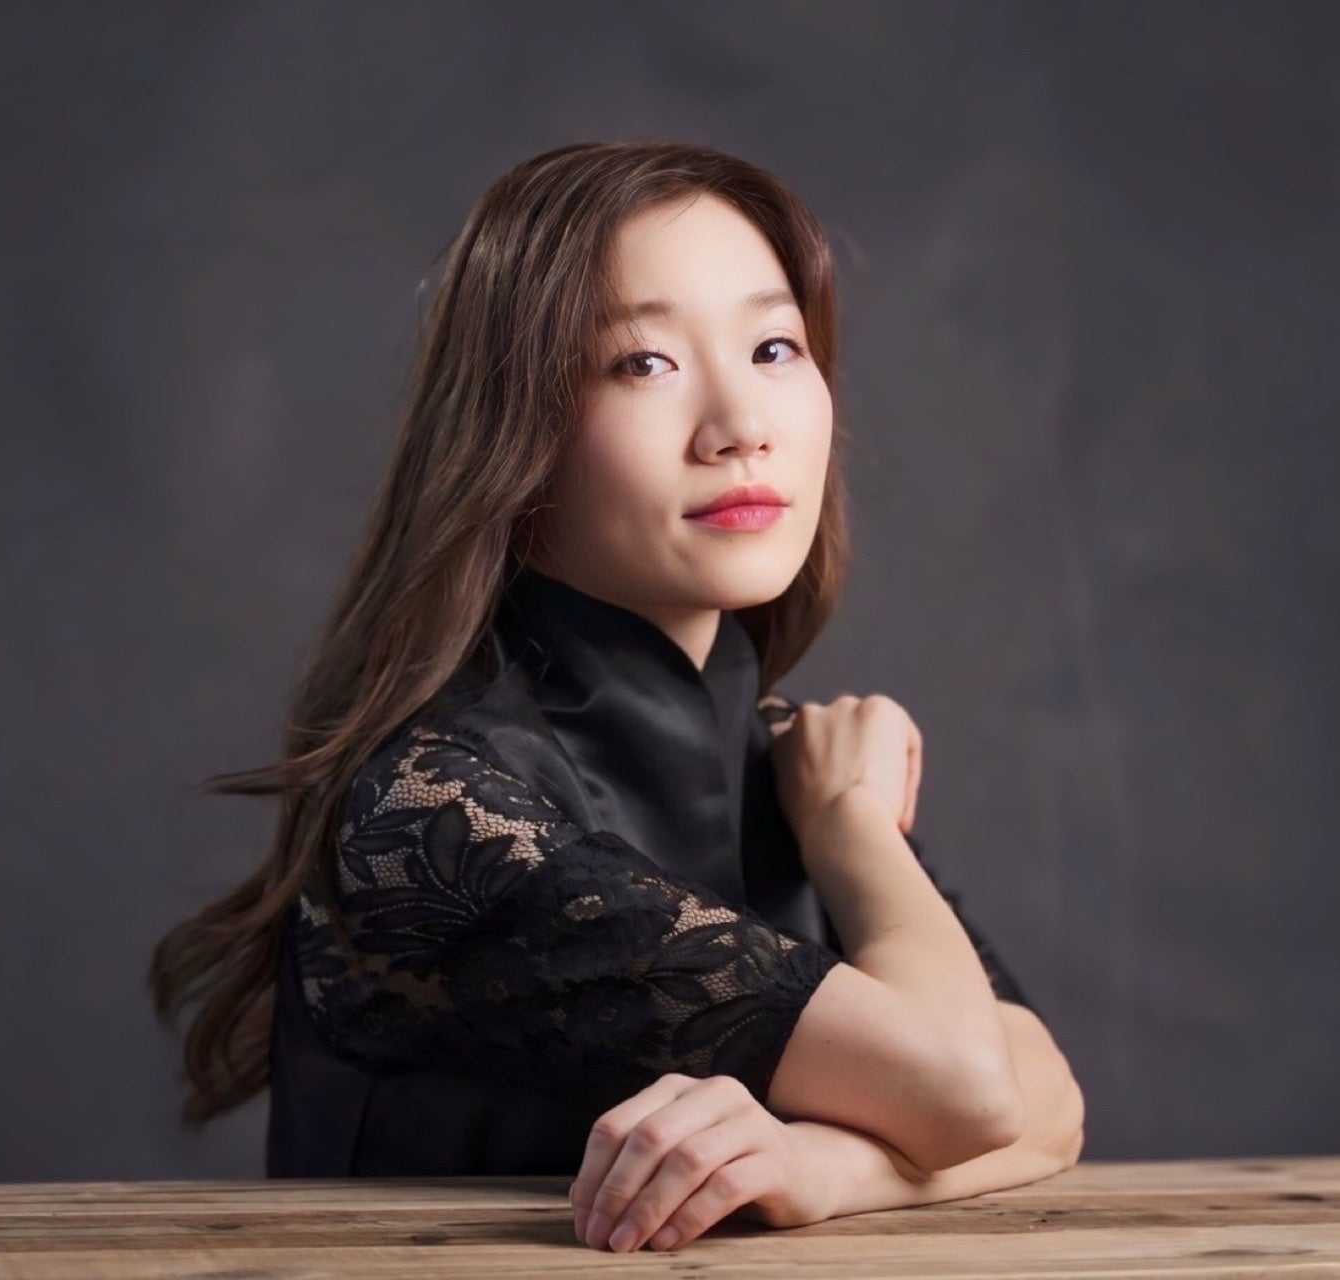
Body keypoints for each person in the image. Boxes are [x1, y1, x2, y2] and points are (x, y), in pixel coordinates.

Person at [149, 140, 1083, 1252]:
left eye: (773, 347)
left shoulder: (776, 757)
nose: (740, 424)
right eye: (641, 364)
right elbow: (967, 1092)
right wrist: (853, 831)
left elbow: (1047, 1098)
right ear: (512, 430)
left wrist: (816, 1167)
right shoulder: (429, 811)